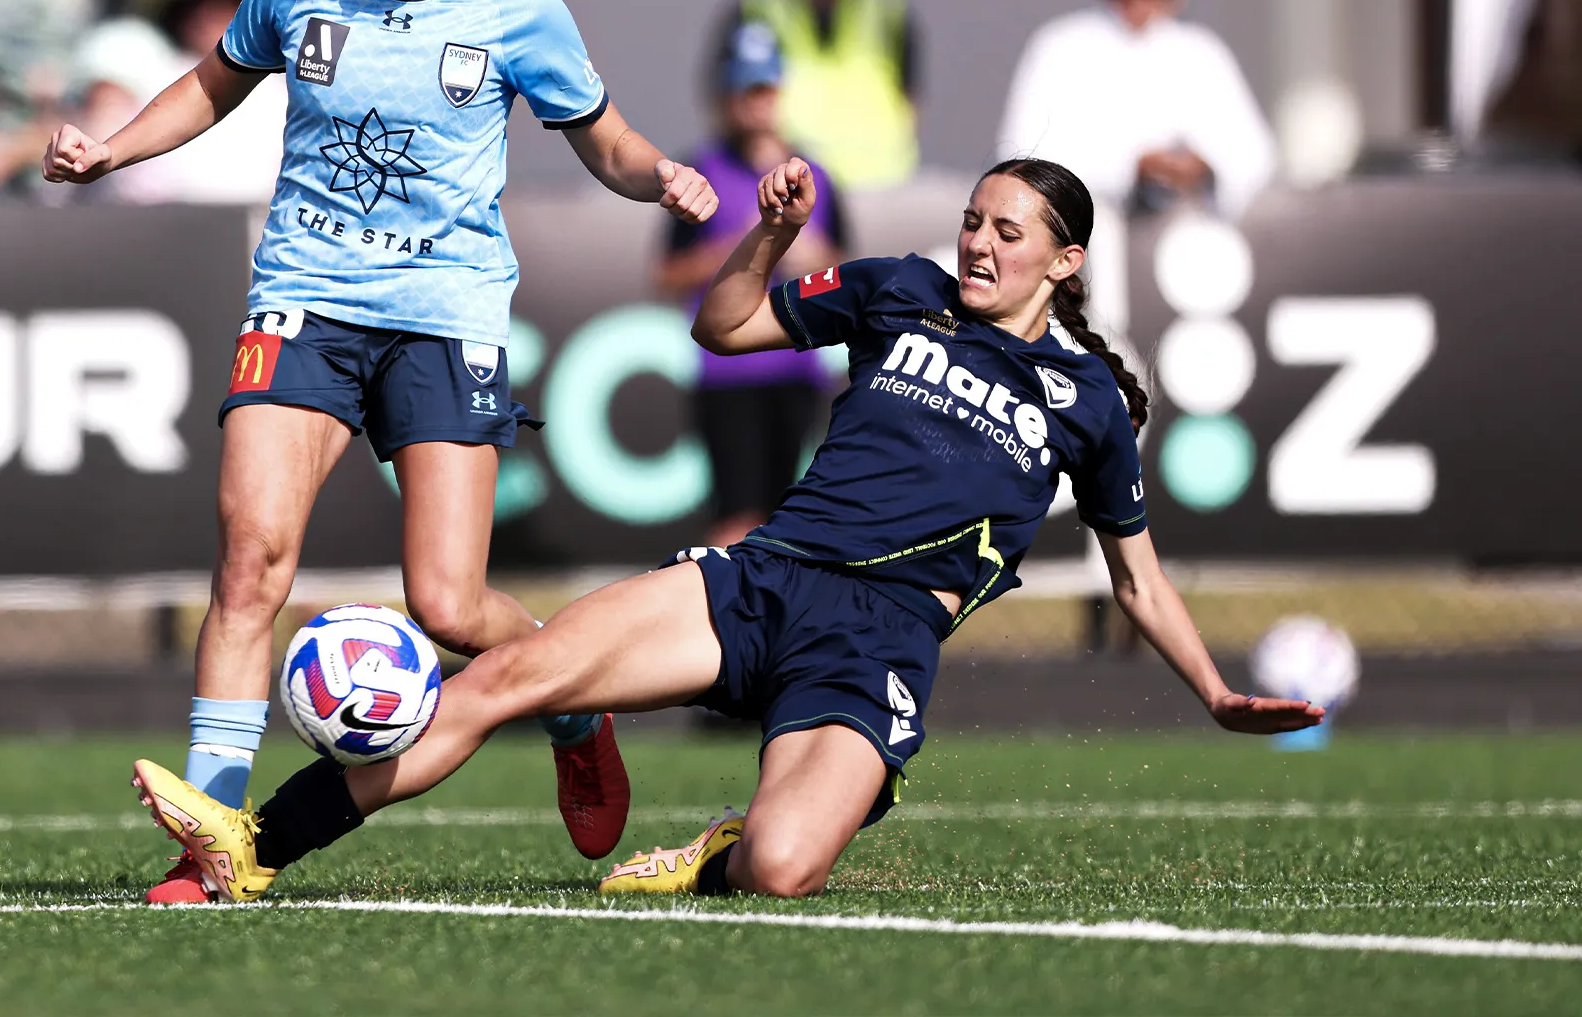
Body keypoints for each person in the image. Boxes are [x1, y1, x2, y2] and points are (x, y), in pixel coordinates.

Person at [130, 156, 1322, 903]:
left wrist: (1215, 694)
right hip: (757, 580)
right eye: (971, 219)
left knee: (784, 870)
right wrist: (767, 232)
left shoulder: (1091, 405)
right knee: (502, 677)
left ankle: (718, 852)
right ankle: (256, 844)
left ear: (1064, 261)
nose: (976, 243)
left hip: (878, 643)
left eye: (1008, 232)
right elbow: (724, 328)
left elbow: (1139, 585)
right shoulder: (896, 287)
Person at [42, 0, 718, 903]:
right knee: (250, 552)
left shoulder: (517, 8)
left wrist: (662, 180)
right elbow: (214, 85)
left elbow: (602, 138)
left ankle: (572, 696)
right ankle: (211, 842)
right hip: (304, 293)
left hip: (444, 316)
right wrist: (113, 150)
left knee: (450, 608)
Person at [658, 21, 846, 546]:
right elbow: (667, 273)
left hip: (795, 367)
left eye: (764, 88)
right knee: (736, 518)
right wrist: (745, 246)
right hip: (726, 372)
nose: (755, 102)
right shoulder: (701, 171)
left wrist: (806, 253)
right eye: (745, 89)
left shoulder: (817, 177)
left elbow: (843, 267)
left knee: (787, 516)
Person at [997, 0, 1275, 217]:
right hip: (1091, 227)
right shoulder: (1061, 47)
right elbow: (1023, 151)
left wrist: (1204, 168)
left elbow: (1254, 154)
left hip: (1189, 227)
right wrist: (1128, 169)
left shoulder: (1201, 53)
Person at [721, 0, 920, 188]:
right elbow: (729, 95)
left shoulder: (884, 3)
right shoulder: (759, 5)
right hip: (800, 179)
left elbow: (911, 92)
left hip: (882, 178)